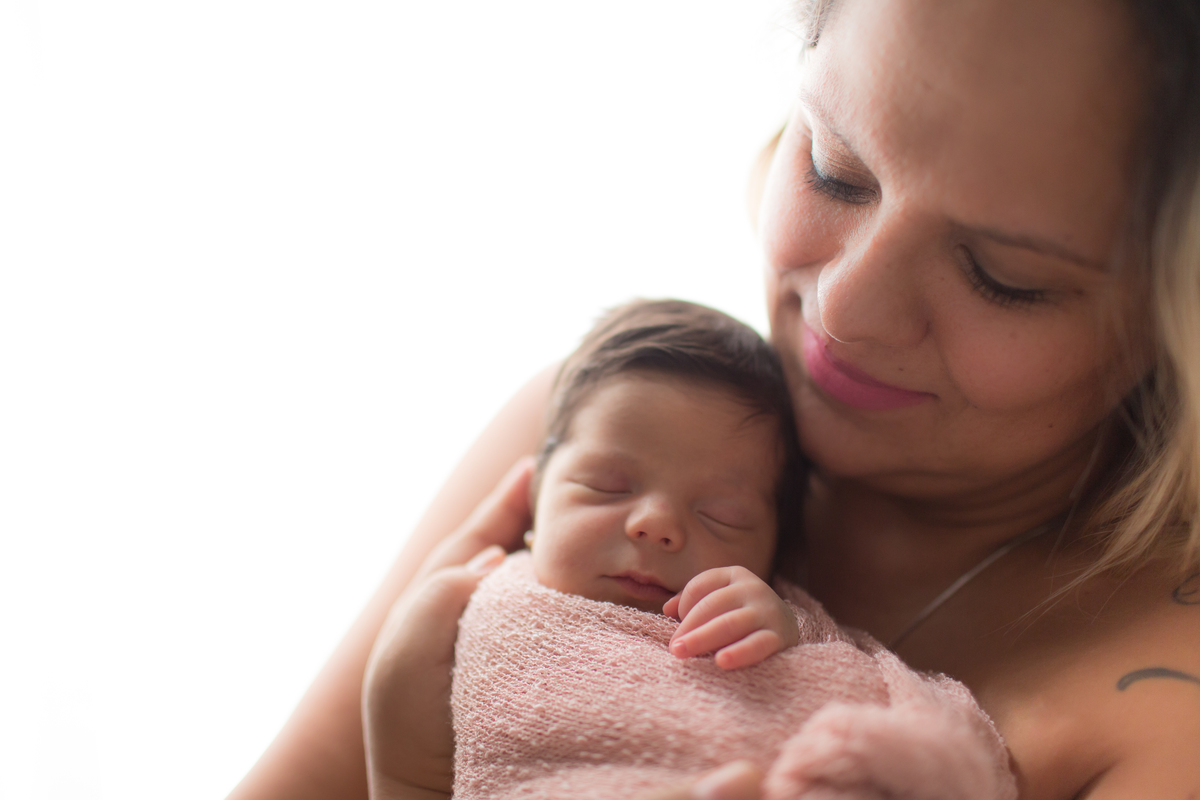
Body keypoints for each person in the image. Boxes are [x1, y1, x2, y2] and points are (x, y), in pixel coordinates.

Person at [226, 0, 1200, 798]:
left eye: (1003, 275)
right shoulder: (610, 441)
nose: (847, 310)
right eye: (834, 166)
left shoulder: (1165, 719)